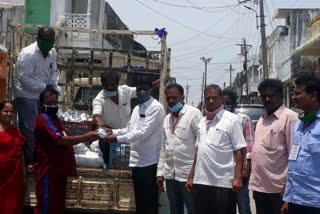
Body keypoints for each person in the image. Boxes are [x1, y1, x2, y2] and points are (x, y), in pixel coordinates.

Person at [33, 86, 100, 214]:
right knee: (46, 206)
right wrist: (84, 137)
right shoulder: (44, 118)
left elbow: (66, 137)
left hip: (58, 170)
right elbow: (59, 140)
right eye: (49, 103)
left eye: (54, 102)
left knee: (57, 206)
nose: (53, 105)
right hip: (49, 170)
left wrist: (85, 139)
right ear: (42, 103)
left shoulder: (56, 119)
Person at [104, 76, 165, 214]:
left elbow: (143, 134)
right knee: (140, 202)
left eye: (145, 88)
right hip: (136, 161)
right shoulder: (137, 108)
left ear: (150, 89)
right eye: (139, 88)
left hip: (149, 163)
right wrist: (112, 131)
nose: (142, 91)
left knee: (149, 203)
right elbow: (129, 129)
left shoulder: (156, 108)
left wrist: (116, 139)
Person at [185, 84, 247, 214]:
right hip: (201, 182)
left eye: (214, 98)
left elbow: (240, 150)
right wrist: (191, 177)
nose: (211, 101)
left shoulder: (231, 120)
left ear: (221, 99)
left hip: (222, 184)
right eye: (207, 98)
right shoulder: (201, 122)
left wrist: (238, 178)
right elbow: (199, 151)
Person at [248, 79, 297, 214]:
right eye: (264, 96)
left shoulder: (290, 118)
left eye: (271, 95)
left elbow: (295, 156)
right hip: (260, 187)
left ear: (281, 96)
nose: (267, 99)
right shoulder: (261, 120)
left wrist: (289, 189)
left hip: (279, 190)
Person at [14, 26, 60, 164]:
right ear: (38, 39)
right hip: (27, 94)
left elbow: (53, 71)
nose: (48, 43)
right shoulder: (28, 53)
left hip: (42, 94)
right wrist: (44, 88)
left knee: (43, 128)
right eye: (45, 40)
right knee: (30, 129)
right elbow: (24, 78)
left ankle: (40, 157)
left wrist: (53, 87)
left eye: (51, 40)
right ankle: (30, 161)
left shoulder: (52, 52)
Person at [157, 83, 202, 214]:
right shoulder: (166, 119)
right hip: (170, 174)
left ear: (182, 97)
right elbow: (163, 148)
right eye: (168, 98)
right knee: (174, 209)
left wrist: (193, 176)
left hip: (187, 174)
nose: (171, 101)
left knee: (193, 208)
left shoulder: (194, 114)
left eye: (174, 98)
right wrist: (160, 173)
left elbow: (201, 146)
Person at [281, 74, 320, 214]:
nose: (293, 97)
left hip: (315, 202)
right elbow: (295, 160)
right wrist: (287, 198)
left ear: (313, 95)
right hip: (296, 200)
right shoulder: (300, 123)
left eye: (297, 93)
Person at [92, 71, 136, 166]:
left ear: (117, 83)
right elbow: (96, 115)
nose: (110, 87)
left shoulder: (125, 90)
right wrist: (99, 123)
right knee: (102, 138)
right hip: (108, 131)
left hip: (126, 132)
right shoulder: (99, 99)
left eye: (113, 84)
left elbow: (139, 91)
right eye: (107, 85)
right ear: (102, 85)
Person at [223, 89, 254, 214]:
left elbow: (250, 146)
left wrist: (247, 171)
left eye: (228, 102)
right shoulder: (219, 119)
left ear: (235, 103)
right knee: (227, 206)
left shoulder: (243, 119)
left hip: (239, 171)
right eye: (223, 102)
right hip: (223, 172)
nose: (225, 105)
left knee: (244, 207)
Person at [0, 101, 25, 214]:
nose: (9, 114)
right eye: (6, 111)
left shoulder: (17, 132)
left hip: (13, 176)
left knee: (11, 206)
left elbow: (21, 155)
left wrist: (24, 174)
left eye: (12, 111)